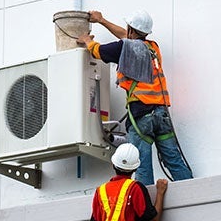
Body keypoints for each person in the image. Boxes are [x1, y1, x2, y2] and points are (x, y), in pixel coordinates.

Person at [77, 10, 193, 186]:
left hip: (141, 115)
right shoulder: (153, 47)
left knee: (142, 166)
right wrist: (101, 21)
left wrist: (87, 41)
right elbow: (127, 36)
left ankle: (145, 204)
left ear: (131, 29)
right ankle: (192, 192)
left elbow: (98, 51)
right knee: (174, 160)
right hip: (162, 114)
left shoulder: (124, 47)